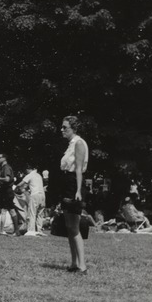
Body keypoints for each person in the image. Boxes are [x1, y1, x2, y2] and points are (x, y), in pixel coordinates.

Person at [59, 115, 89, 273]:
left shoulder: (78, 143)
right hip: (67, 182)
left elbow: (78, 169)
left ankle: (82, 265)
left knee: (74, 226)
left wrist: (77, 190)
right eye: (62, 127)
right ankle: (73, 262)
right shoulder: (70, 144)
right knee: (69, 226)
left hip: (73, 183)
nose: (62, 130)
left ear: (74, 128)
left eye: (65, 127)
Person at [15, 163, 46, 235]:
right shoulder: (39, 175)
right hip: (42, 195)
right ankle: (39, 230)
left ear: (28, 169)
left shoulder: (29, 175)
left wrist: (15, 188)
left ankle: (31, 230)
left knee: (32, 213)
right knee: (40, 214)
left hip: (35, 194)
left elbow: (21, 184)